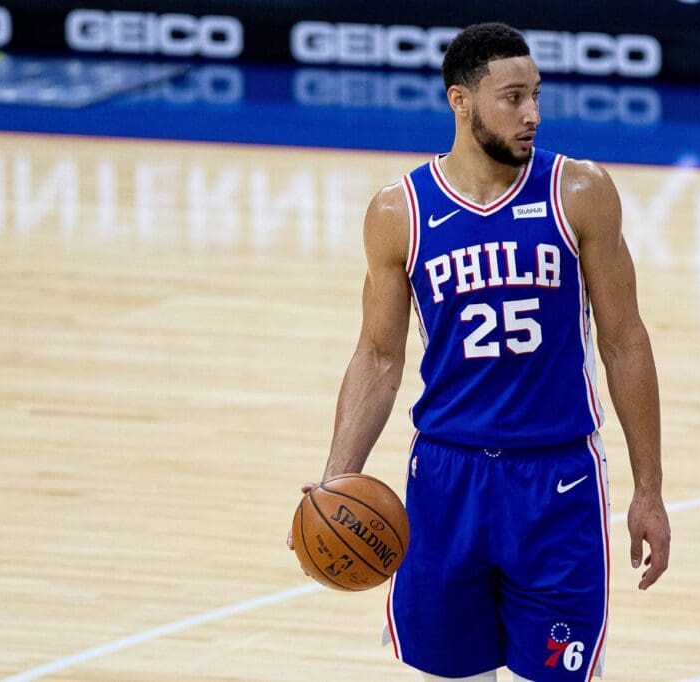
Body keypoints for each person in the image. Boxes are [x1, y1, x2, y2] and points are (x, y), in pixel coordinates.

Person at [287, 22, 671, 682]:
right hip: (444, 482)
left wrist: (650, 491)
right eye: (512, 98)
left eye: (536, 97)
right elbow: (378, 356)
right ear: (460, 102)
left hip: (556, 484)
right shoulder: (399, 210)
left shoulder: (578, 192)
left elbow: (625, 341)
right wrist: (337, 480)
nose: (532, 116)